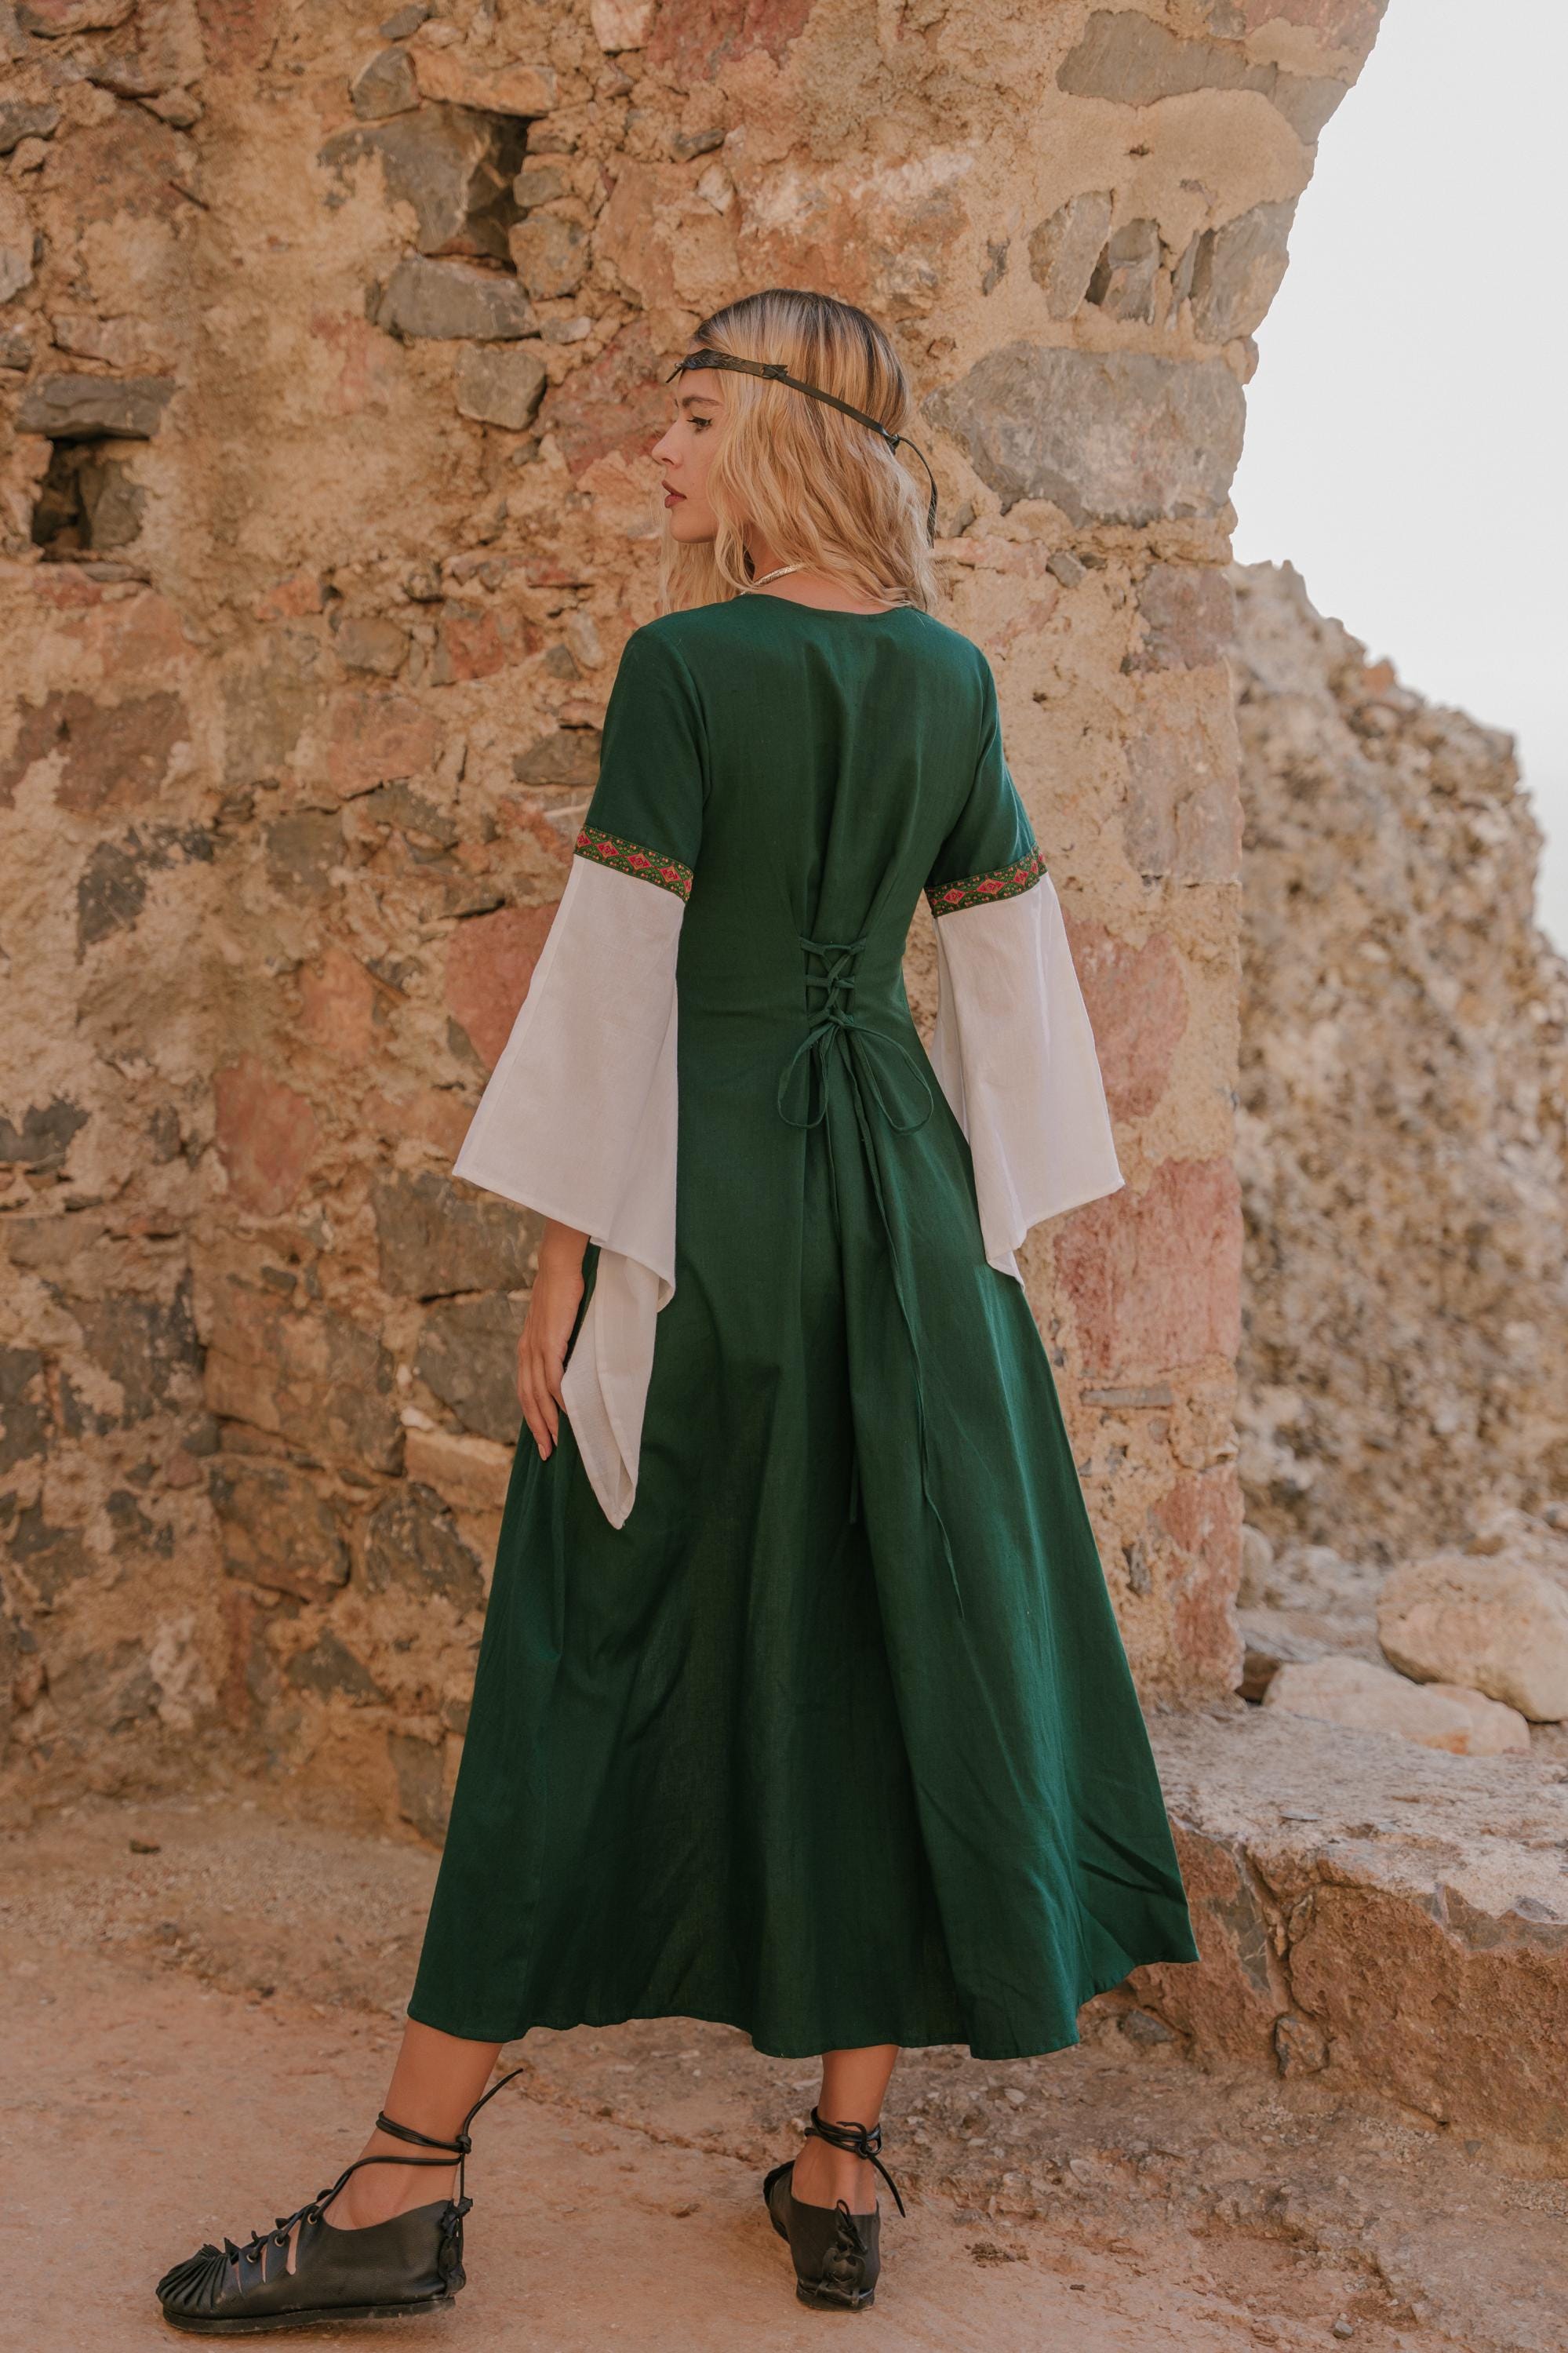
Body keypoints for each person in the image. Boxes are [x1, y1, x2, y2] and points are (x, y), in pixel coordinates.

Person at [155, 286, 1199, 2334]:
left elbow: (621, 968)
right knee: (887, 1623)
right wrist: (985, 1243)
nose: (662, 450)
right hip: (902, 1209)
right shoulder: (952, 674)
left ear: (788, 437)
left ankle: (406, 2182)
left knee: (578, 1639)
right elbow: (1007, 975)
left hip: (707, 1212)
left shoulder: (688, 665)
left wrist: (562, 1259)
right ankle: (841, 2159)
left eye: (697, 417)